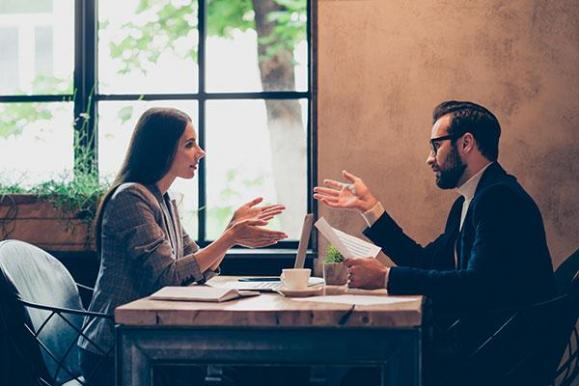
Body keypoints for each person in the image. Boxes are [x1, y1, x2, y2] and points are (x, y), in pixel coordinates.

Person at [314, 100, 556, 385]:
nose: (429, 158)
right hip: (478, 346)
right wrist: (371, 209)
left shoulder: (498, 199)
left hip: (495, 360)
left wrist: (385, 277)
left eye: (436, 145)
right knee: (362, 371)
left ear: (466, 143)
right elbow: (426, 261)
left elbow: (476, 286)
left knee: (362, 375)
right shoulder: (471, 200)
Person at [77, 107, 287, 386]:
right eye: (189, 145)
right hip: (116, 349)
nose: (200, 152)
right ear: (162, 150)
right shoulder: (131, 199)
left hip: (148, 340)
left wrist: (230, 232)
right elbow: (168, 277)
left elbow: (193, 265)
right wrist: (230, 238)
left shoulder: (163, 199)